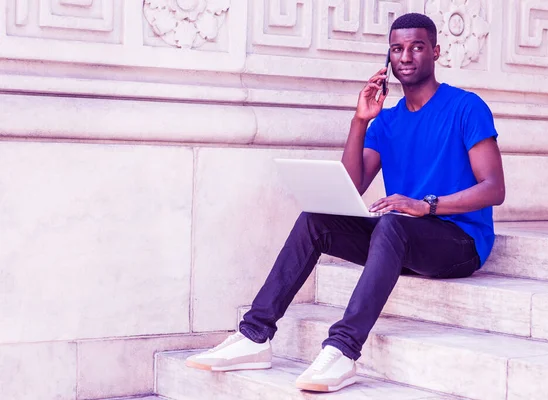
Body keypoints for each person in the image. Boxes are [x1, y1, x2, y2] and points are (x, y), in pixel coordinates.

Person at [184, 12, 506, 393]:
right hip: (403, 237)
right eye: (397, 49)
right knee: (316, 220)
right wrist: (359, 120)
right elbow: (350, 186)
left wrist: (426, 205)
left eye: (417, 47)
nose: (406, 56)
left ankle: (343, 350)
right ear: (388, 59)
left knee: (393, 223)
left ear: (435, 52)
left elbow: (493, 188)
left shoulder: (466, 108)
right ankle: (254, 336)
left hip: (459, 241)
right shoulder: (385, 123)